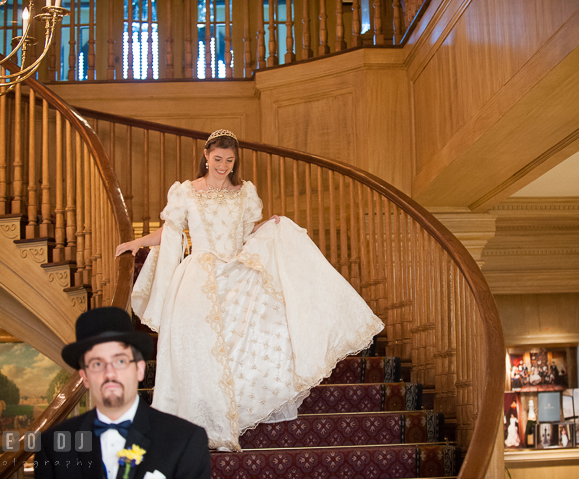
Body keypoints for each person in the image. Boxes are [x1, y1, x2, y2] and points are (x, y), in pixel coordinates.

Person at [116, 129, 384, 451]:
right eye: (218, 159)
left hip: (234, 271)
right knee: (195, 350)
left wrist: (269, 225)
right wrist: (136, 242)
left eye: (229, 160)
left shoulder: (244, 193)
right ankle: (190, 423)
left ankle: (226, 415)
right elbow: (170, 231)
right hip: (197, 277)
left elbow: (245, 233)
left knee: (253, 334)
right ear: (206, 155)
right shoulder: (186, 192)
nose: (223, 165)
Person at [34, 307, 211, 478]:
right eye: (97, 364)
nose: (109, 373)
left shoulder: (185, 440)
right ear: (85, 377)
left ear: (140, 370)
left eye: (120, 361)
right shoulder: (52, 445)